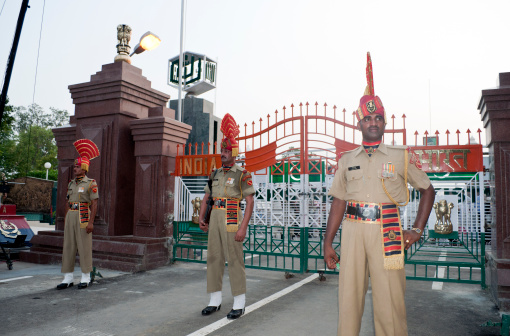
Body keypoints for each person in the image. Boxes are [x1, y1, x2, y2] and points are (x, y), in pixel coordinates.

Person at [323, 53, 435, 336]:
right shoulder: (347, 159)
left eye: (378, 118)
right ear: (359, 124)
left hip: (389, 232)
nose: (373, 122)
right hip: (353, 231)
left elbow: (427, 190)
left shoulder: (400, 157)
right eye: (368, 118)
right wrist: (327, 243)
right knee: (348, 302)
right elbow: (338, 201)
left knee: (390, 304)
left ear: (384, 123)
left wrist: (417, 230)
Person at [198, 113, 255, 320]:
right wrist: (201, 218)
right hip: (215, 218)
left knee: (235, 259)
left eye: (226, 150)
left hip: (232, 216)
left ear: (234, 153)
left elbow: (249, 202)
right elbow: (206, 197)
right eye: (221, 150)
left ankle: (239, 303)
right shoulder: (215, 174)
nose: (222, 153)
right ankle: (215, 300)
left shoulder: (242, 174)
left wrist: (243, 227)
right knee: (213, 257)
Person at [57, 139, 100, 290]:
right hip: (71, 215)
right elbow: (67, 201)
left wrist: (91, 222)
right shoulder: (71, 183)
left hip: (83, 215)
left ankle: (85, 276)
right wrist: (66, 217)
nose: (74, 169)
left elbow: (94, 203)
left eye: (77, 166)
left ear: (84, 168)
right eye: (74, 166)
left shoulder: (91, 183)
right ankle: (68, 277)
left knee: (84, 246)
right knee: (68, 246)